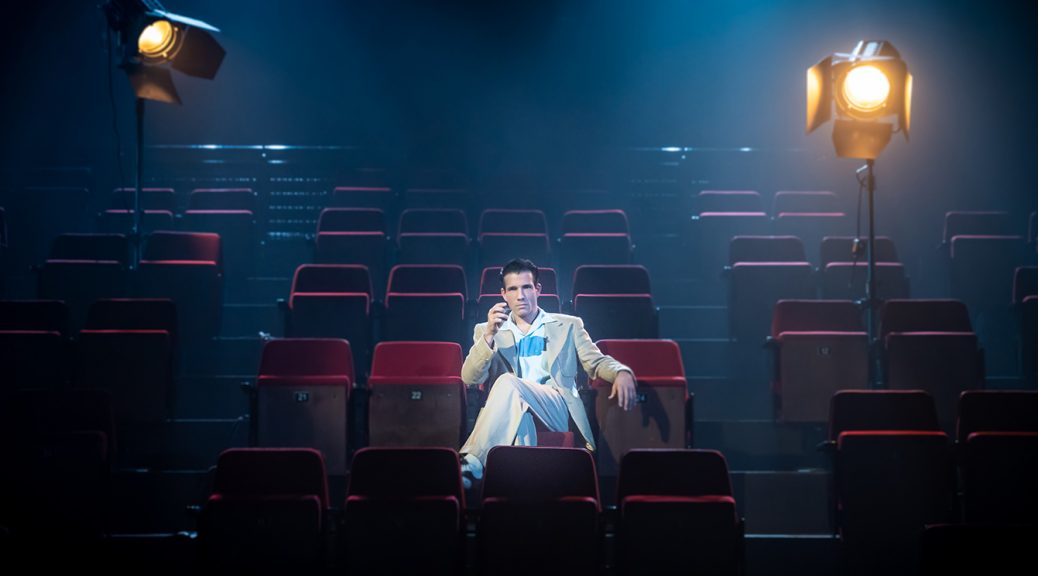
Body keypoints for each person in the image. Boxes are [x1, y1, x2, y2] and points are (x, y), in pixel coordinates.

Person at [458, 258, 636, 486]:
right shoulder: (486, 330)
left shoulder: (569, 325)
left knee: (508, 382)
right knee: (520, 417)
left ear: (537, 289)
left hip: (556, 407)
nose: (520, 295)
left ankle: (471, 459)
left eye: (526, 287)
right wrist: (490, 337)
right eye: (513, 289)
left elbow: (596, 362)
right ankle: (526, 494)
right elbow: (470, 378)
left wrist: (621, 372)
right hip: (512, 407)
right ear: (503, 294)